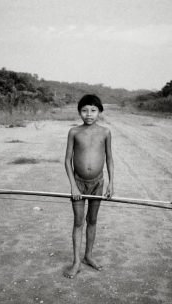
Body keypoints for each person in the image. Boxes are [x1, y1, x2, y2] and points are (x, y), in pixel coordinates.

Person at [63, 94, 114, 279]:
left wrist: (111, 183)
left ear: (99, 111)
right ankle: (76, 261)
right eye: (84, 110)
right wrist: (73, 187)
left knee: (92, 220)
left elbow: (109, 159)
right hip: (79, 183)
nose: (89, 114)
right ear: (79, 112)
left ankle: (88, 256)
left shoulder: (105, 132)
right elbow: (67, 161)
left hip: (98, 183)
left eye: (93, 110)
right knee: (78, 221)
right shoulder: (74, 132)